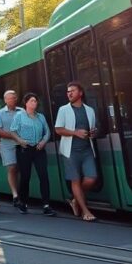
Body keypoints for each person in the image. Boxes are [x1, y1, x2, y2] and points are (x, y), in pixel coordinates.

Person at [54, 81, 99, 222]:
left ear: (80, 93)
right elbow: (58, 129)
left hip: (87, 150)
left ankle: (75, 200)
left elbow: (94, 128)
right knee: (76, 180)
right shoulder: (63, 110)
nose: (69, 93)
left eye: (72, 91)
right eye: (68, 91)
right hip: (70, 152)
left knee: (91, 178)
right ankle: (85, 211)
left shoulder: (89, 110)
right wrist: (75, 133)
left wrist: (93, 133)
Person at [9, 92, 53, 216]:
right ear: (26, 103)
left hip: (39, 149)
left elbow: (47, 131)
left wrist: (43, 142)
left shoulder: (41, 117)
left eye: (35, 101)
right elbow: (12, 131)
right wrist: (20, 141)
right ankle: (23, 203)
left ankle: (46, 205)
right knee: (25, 176)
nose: (34, 103)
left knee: (43, 176)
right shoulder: (19, 116)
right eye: (32, 101)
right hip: (24, 149)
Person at [0, 90, 24, 209]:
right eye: (9, 98)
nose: (12, 100)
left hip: (22, 144)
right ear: (5, 100)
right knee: (12, 167)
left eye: (14, 98)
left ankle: (21, 193)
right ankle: (15, 195)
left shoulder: (22, 111)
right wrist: (15, 136)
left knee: (21, 168)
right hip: (7, 145)